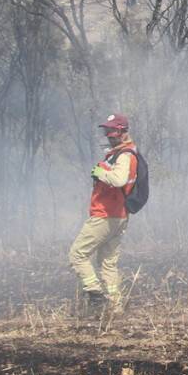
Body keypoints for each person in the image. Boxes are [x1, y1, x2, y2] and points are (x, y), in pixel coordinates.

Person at [68, 113, 139, 310]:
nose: (109, 135)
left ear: (123, 131)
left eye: (113, 131)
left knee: (77, 255)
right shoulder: (122, 153)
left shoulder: (125, 155)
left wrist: (100, 172)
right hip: (119, 216)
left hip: (106, 215)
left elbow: (118, 180)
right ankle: (115, 306)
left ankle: (95, 294)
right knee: (108, 263)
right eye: (107, 131)